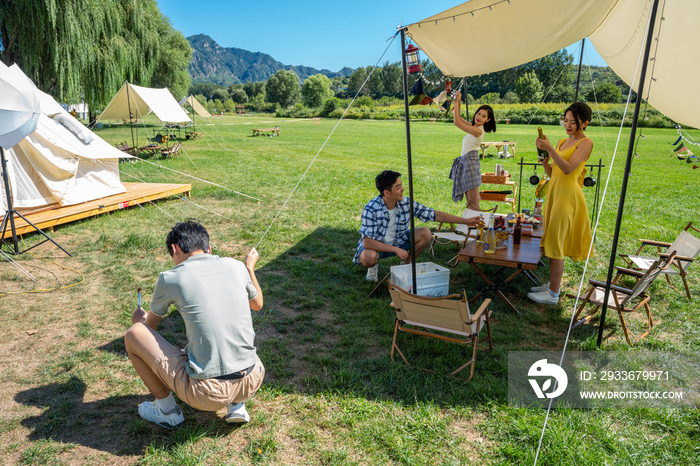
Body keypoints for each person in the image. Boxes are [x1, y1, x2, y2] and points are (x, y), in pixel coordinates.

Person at [124, 220, 265, 429]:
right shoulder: (236, 266)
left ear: (174, 249)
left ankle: (167, 411)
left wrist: (139, 321)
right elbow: (257, 304)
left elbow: (148, 328)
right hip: (254, 377)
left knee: (134, 334)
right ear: (208, 248)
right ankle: (237, 405)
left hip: (209, 393)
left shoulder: (170, 277)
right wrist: (249, 268)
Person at [354, 170, 480, 281]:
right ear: (387, 193)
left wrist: (466, 221)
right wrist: (395, 250)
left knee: (425, 233)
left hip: (399, 241)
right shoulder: (371, 209)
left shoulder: (405, 202)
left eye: (401, 185)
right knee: (367, 258)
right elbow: (368, 243)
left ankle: (405, 265)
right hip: (377, 247)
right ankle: (372, 268)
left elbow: (434, 215)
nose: (403, 189)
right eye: (398, 187)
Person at [528, 103, 594, 305]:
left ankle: (553, 295)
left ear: (585, 123)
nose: (567, 124)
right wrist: (545, 161)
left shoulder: (585, 143)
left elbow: (568, 170)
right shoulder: (561, 141)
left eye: (573, 122)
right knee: (551, 239)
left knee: (556, 243)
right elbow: (553, 173)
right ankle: (552, 284)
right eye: (565, 120)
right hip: (555, 194)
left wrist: (549, 148)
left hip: (568, 197)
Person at [450, 93, 497, 209]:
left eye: (483, 116)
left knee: (473, 205)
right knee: (470, 204)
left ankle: (475, 225)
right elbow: (459, 118)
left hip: (470, 165)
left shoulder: (478, 131)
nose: (479, 117)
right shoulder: (474, 127)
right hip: (466, 164)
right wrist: (459, 100)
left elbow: (456, 122)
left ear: (488, 120)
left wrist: (456, 102)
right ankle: (469, 225)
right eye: (479, 113)